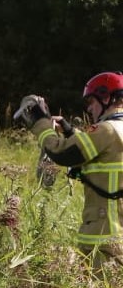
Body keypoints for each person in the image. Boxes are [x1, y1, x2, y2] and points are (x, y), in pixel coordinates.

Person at [15, 73, 123, 269]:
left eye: (91, 101)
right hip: (118, 237)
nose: (89, 108)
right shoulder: (116, 131)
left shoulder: (107, 130)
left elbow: (62, 153)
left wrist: (42, 124)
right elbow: (99, 154)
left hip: (105, 239)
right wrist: (70, 132)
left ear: (107, 97)